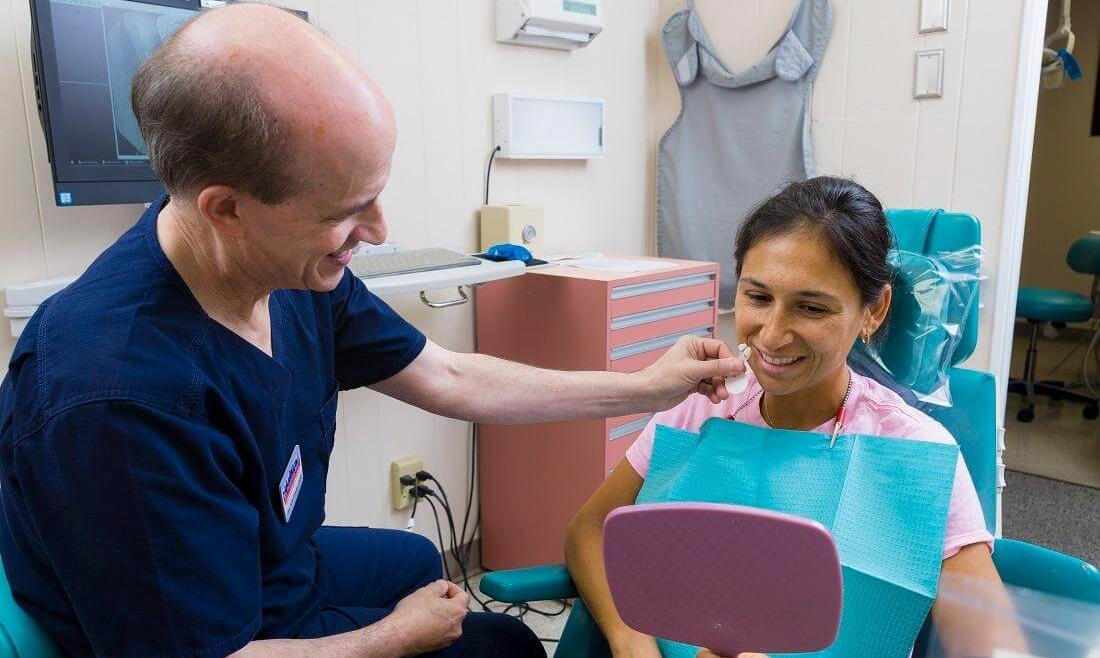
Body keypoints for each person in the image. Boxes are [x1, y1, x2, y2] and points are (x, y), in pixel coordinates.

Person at [0, 5, 744, 657]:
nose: (379, 232)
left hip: (266, 565)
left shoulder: (285, 272)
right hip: (205, 630)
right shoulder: (118, 402)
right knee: (503, 642)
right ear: (225, 208)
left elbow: (448, 376)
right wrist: (392, 638)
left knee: (420, 563)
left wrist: (645, 385)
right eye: (345, 211)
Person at [564, 177, 1026, 658]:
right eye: (758, 297)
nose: (773, 334)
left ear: (874, 310)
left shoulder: (915, 451)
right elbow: (589, 529)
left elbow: (991, 645)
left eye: (810, 307)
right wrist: (632, 643)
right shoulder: (704, 404)